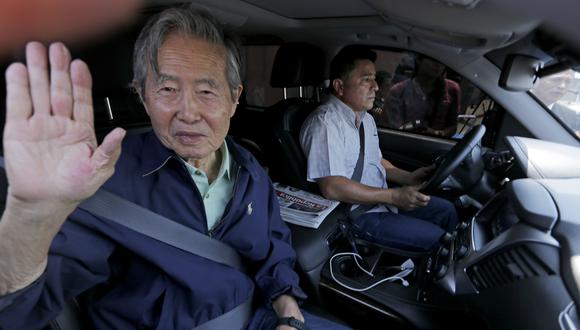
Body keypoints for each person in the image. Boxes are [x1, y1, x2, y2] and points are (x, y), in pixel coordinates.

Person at [0, 7, 349, 330]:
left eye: (207, 91)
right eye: (167, 88)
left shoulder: (249, 168)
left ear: (234, 97)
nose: (189, 112)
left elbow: (275, 247)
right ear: (143, 96)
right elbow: (21, 310)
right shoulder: (101, 182)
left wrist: (288, 310)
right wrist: (29, 217)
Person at [300, 46, 458, 252]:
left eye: (374, 78)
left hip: (382, 202)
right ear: (339, 86)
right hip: (358, 214)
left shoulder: (365, 119)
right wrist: (393, 196)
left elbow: (375, 160)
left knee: (447, 211)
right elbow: (332, 186)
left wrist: (408, 177)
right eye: (366, 79)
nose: (375, 86)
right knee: (442, 242)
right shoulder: (325, 123)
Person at [378, 55, 460, 137]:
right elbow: (392, 130)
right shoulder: (398, 91)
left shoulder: (452, 89)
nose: (438, 64)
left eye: (442, 61)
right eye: (432, 59)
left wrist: (437, 134)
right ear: (419, 60)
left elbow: (452, 126)